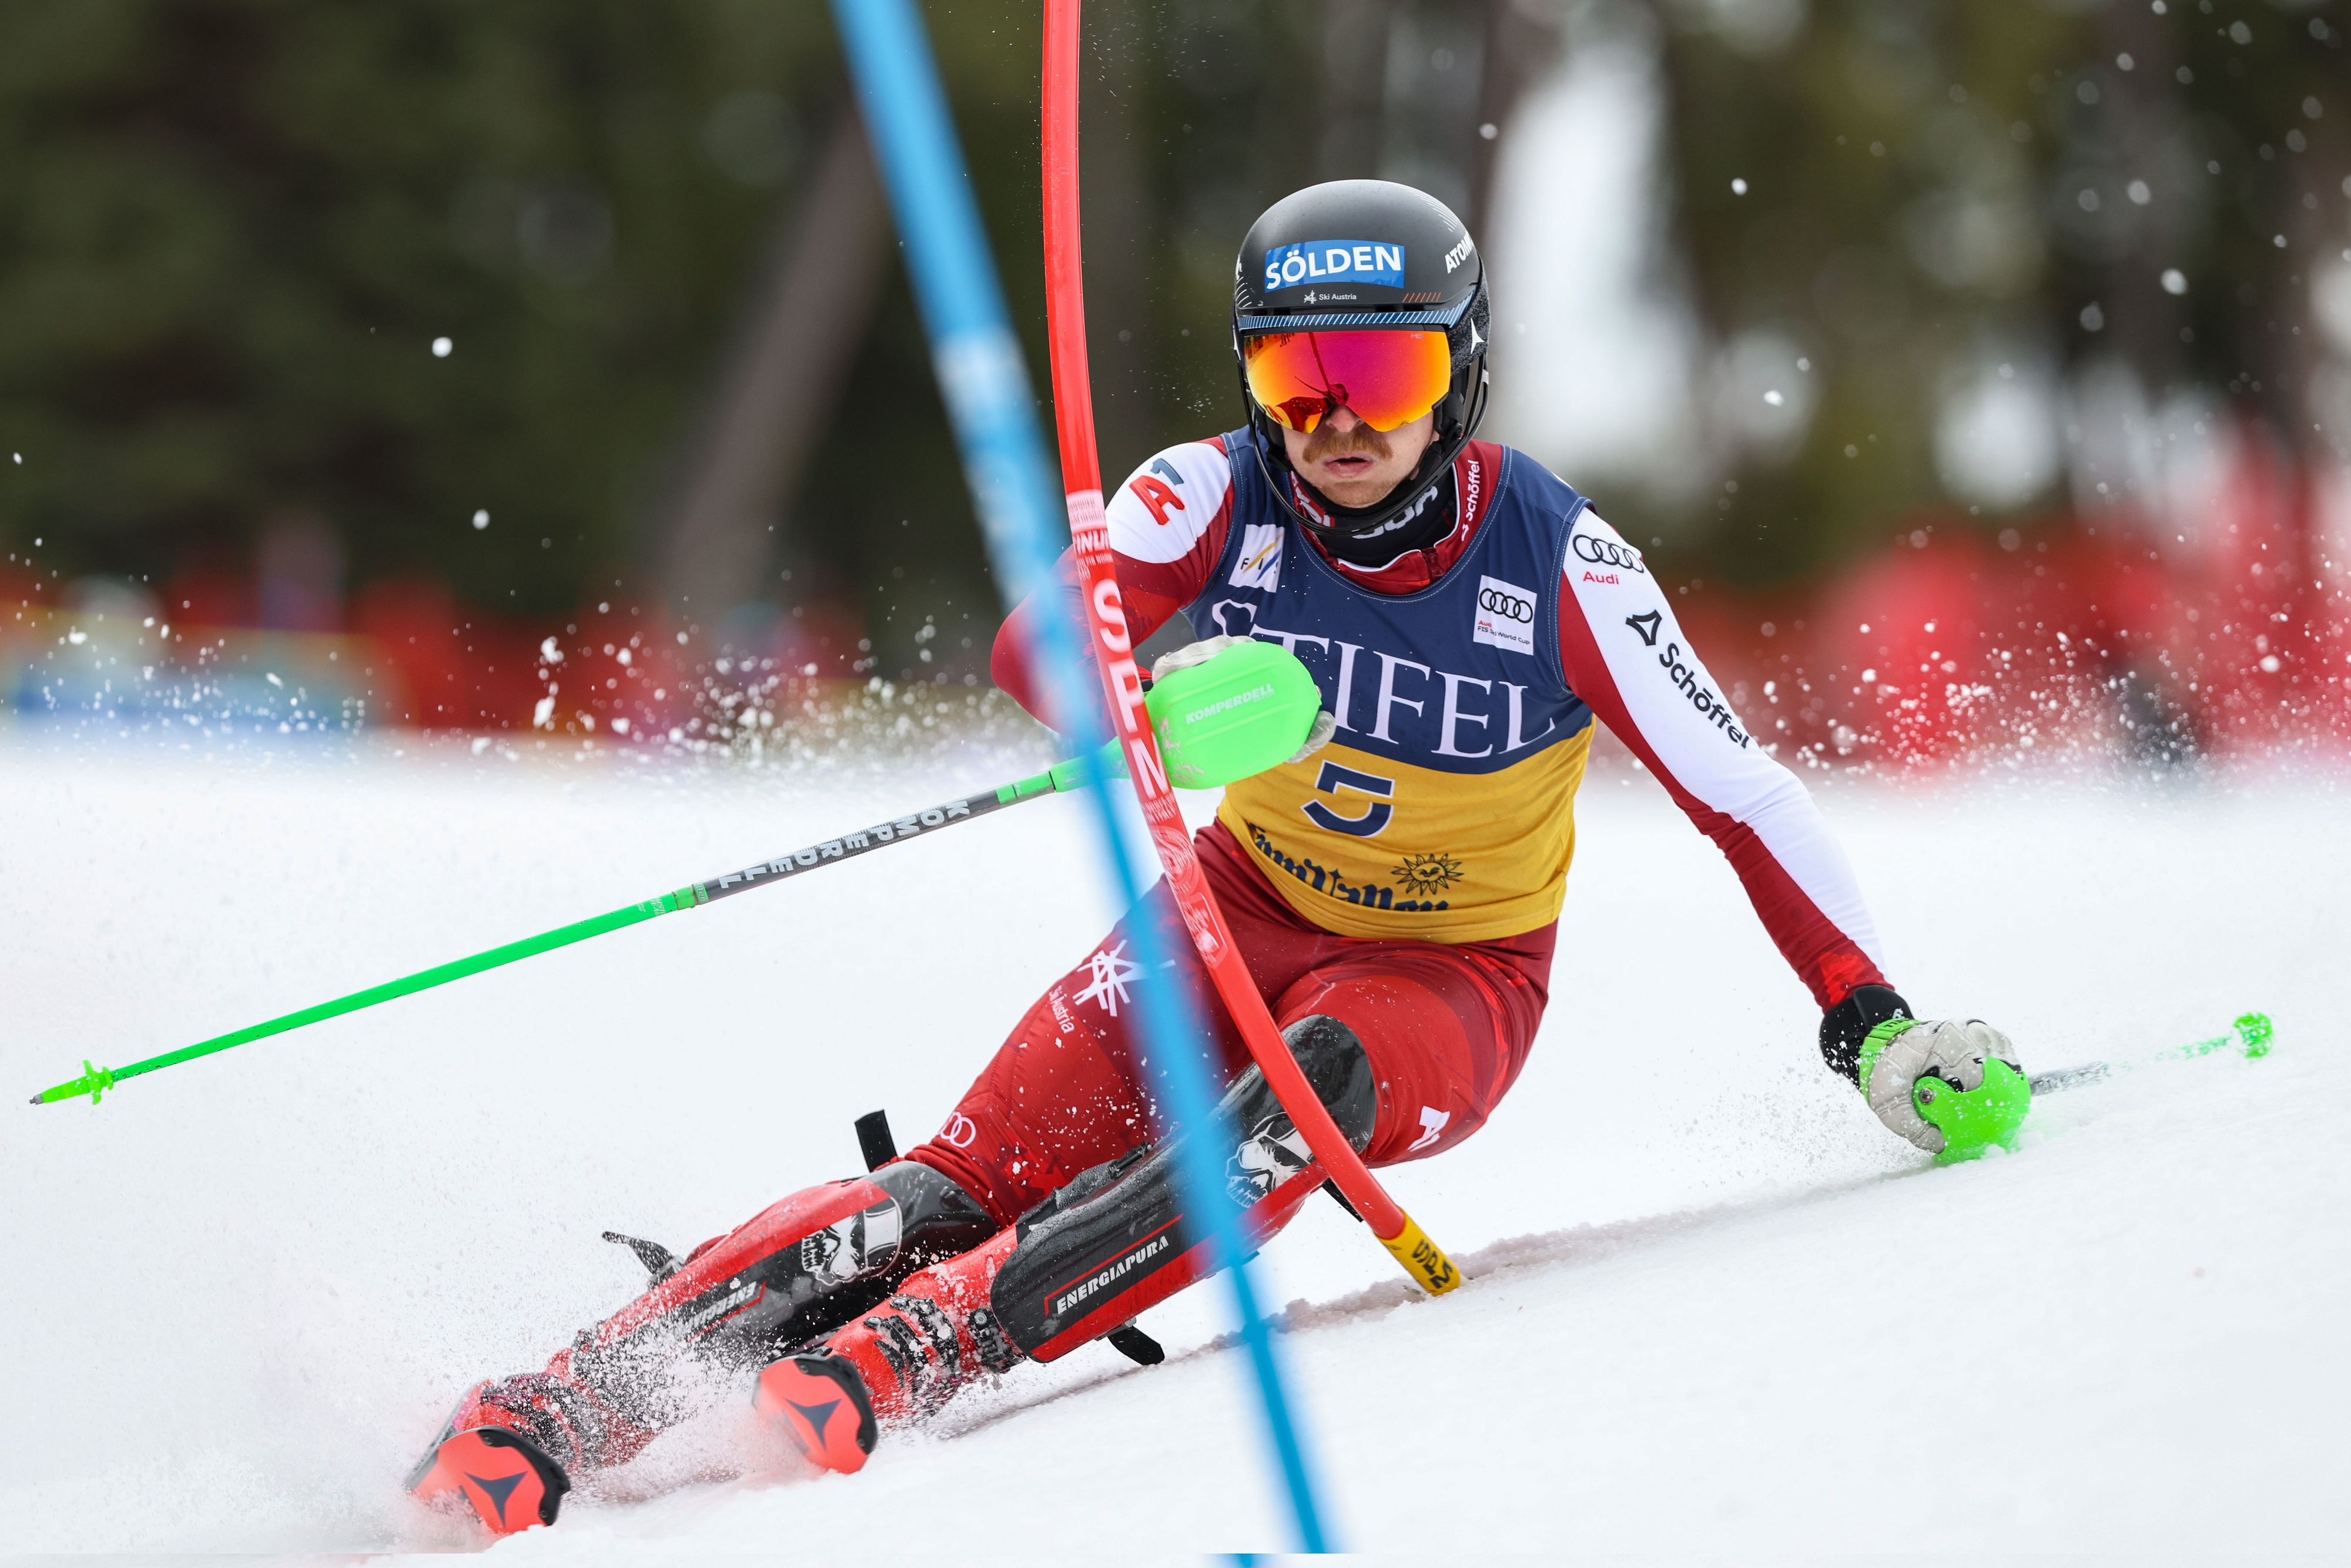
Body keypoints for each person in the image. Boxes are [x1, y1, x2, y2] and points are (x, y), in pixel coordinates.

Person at [407, 179, 2028, 1535]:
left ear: (1459, 375)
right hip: (1231, 912)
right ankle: (566, 1403)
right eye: (1292, 380)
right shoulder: (1214, 491)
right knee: (953, 1184)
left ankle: (927, 1349)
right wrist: (1134, 695)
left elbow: (1743, 794)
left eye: (1379, 373)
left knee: (1306, 1089)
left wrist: (1869, 1019)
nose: (1335, 421)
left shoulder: (1565, 562)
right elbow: (1040, 640)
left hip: (1449, 978)